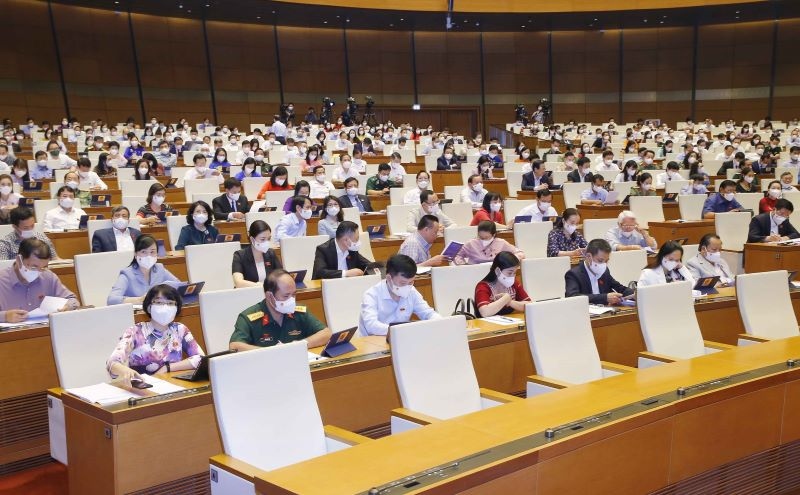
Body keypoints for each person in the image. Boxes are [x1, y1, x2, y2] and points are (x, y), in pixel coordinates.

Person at [107, 284, 204, 386]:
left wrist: (168, 368)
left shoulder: (180, 329)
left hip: (173, 385)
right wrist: (124, 370)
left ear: (176, 308)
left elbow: (201, 359)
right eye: (159, 303)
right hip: (144, 389)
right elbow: (112, 362)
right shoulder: (135, 331)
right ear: (149, 307)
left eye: (170, 303)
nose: (165, 308)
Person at [230, 269, 332, 350]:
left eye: (294, 294)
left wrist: (298, 345)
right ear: (269, 296)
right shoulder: (249, 317)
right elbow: (235, 346)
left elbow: (326, 333)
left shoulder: (299, 312)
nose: (292, 300)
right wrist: (271, 353)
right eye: (286, 296)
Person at [358, 254, 440, 336]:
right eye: (403, 283)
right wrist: (400, 331)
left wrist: (441, 322)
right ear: (389, 278)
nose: (407, 286)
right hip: (372, 342)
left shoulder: (412, 291)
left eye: (411, 282)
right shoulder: (371, 295)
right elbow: (371, 326)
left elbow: (428, 313)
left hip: (401, 339)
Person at [0, 239, 78, 323]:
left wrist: (67, 306)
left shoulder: (48, 277)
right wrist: (5, 316)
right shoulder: (2, 280)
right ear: (19, 260)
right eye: (34, 267)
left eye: (43, 267)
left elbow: (72, 300)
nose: (38, 272)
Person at [107, 235, 180, 305]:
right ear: (135, 255)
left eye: (152, 252)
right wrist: (139, 300)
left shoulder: (159, 268)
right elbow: (111, 300)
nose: (149, 256)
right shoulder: (127, 274)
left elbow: (179, 286)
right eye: (144, 252)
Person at [565, 238, 633, 305]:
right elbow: (572, 297)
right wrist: (605, 297)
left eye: (606, 261)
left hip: (605, 312)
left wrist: (635, 294)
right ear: (589, 256)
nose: (604, 264)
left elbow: (619, 288)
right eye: (600, 260)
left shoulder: (604, 271)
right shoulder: (574, 274)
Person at [475, 252, 531, 317]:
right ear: (497, 271)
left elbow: (529, 305)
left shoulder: (514, 284)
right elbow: (485, 312)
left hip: (509, 322)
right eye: (510, 273)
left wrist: (510, 302)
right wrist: (505, 298)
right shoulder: (483, 286)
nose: (513, 276)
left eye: (514, 273)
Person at [232, 221, 281, 288]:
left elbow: (281, 276)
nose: (266, 242)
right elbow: (238, 282)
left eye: (268, 239)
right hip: (249, 294)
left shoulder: (271, 253)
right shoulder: (239, 256)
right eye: (262, 239)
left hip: (269, 295)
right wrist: (261, 287)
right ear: (252, 239)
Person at [453, 221, 524, 265]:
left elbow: (520, 253)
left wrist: (509, 261)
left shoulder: (501, 243)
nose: (483, 239)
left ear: (493, 235)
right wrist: (464, 265)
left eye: (486, 237)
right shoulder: (471, 244)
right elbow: (457, 256)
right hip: (475, 272)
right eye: (480, 237)